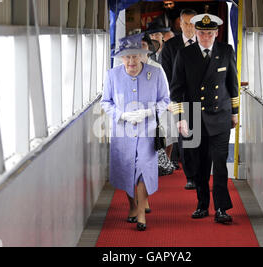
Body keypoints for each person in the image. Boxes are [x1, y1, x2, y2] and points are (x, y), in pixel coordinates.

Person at [169, 14, 239, 224]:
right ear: (195, 33)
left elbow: (232, 84)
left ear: (216, 33)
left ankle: (221, 208)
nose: (206, 36)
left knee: (219, 163)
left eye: (210, 33)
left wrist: (235, 113)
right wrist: (180, 117)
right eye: (201, 33)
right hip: (192, 116)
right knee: (199, 165)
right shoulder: (184, 54)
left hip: (220, 115)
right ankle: (202, 205)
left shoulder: (226, 51)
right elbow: (176, 89)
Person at [101, 34, 170, 231]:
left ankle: (141, 212)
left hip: (147, 132)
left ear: (142, 55)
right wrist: (121, 115)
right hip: (123, 132)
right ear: (121, 58)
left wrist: (150, 111)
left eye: (135, 56)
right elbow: (106, 102)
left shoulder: (155, 74)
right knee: (127, 170)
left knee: (143, 171)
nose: (131, 61)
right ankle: (132, 205)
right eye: (127, 57)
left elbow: (165, 99)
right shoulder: (112, 75)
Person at [161, 8, 198, 190]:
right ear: (180, 25)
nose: (190, 28)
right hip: (181, 100)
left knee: (203, 139)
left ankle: (201, 172)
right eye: (186, 24)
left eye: (193, 24)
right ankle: (191, 176)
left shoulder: (207, 42)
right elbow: (166, 76)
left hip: (205, 100)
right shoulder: (170, 46)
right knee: (187, 138)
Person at [140, 33, 176, 178]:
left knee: (168, 125)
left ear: (148, 48)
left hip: (156, 107)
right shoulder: (128, 67)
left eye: (143, 46)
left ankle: (164, 161)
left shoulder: (157, 68)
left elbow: (165, 92)